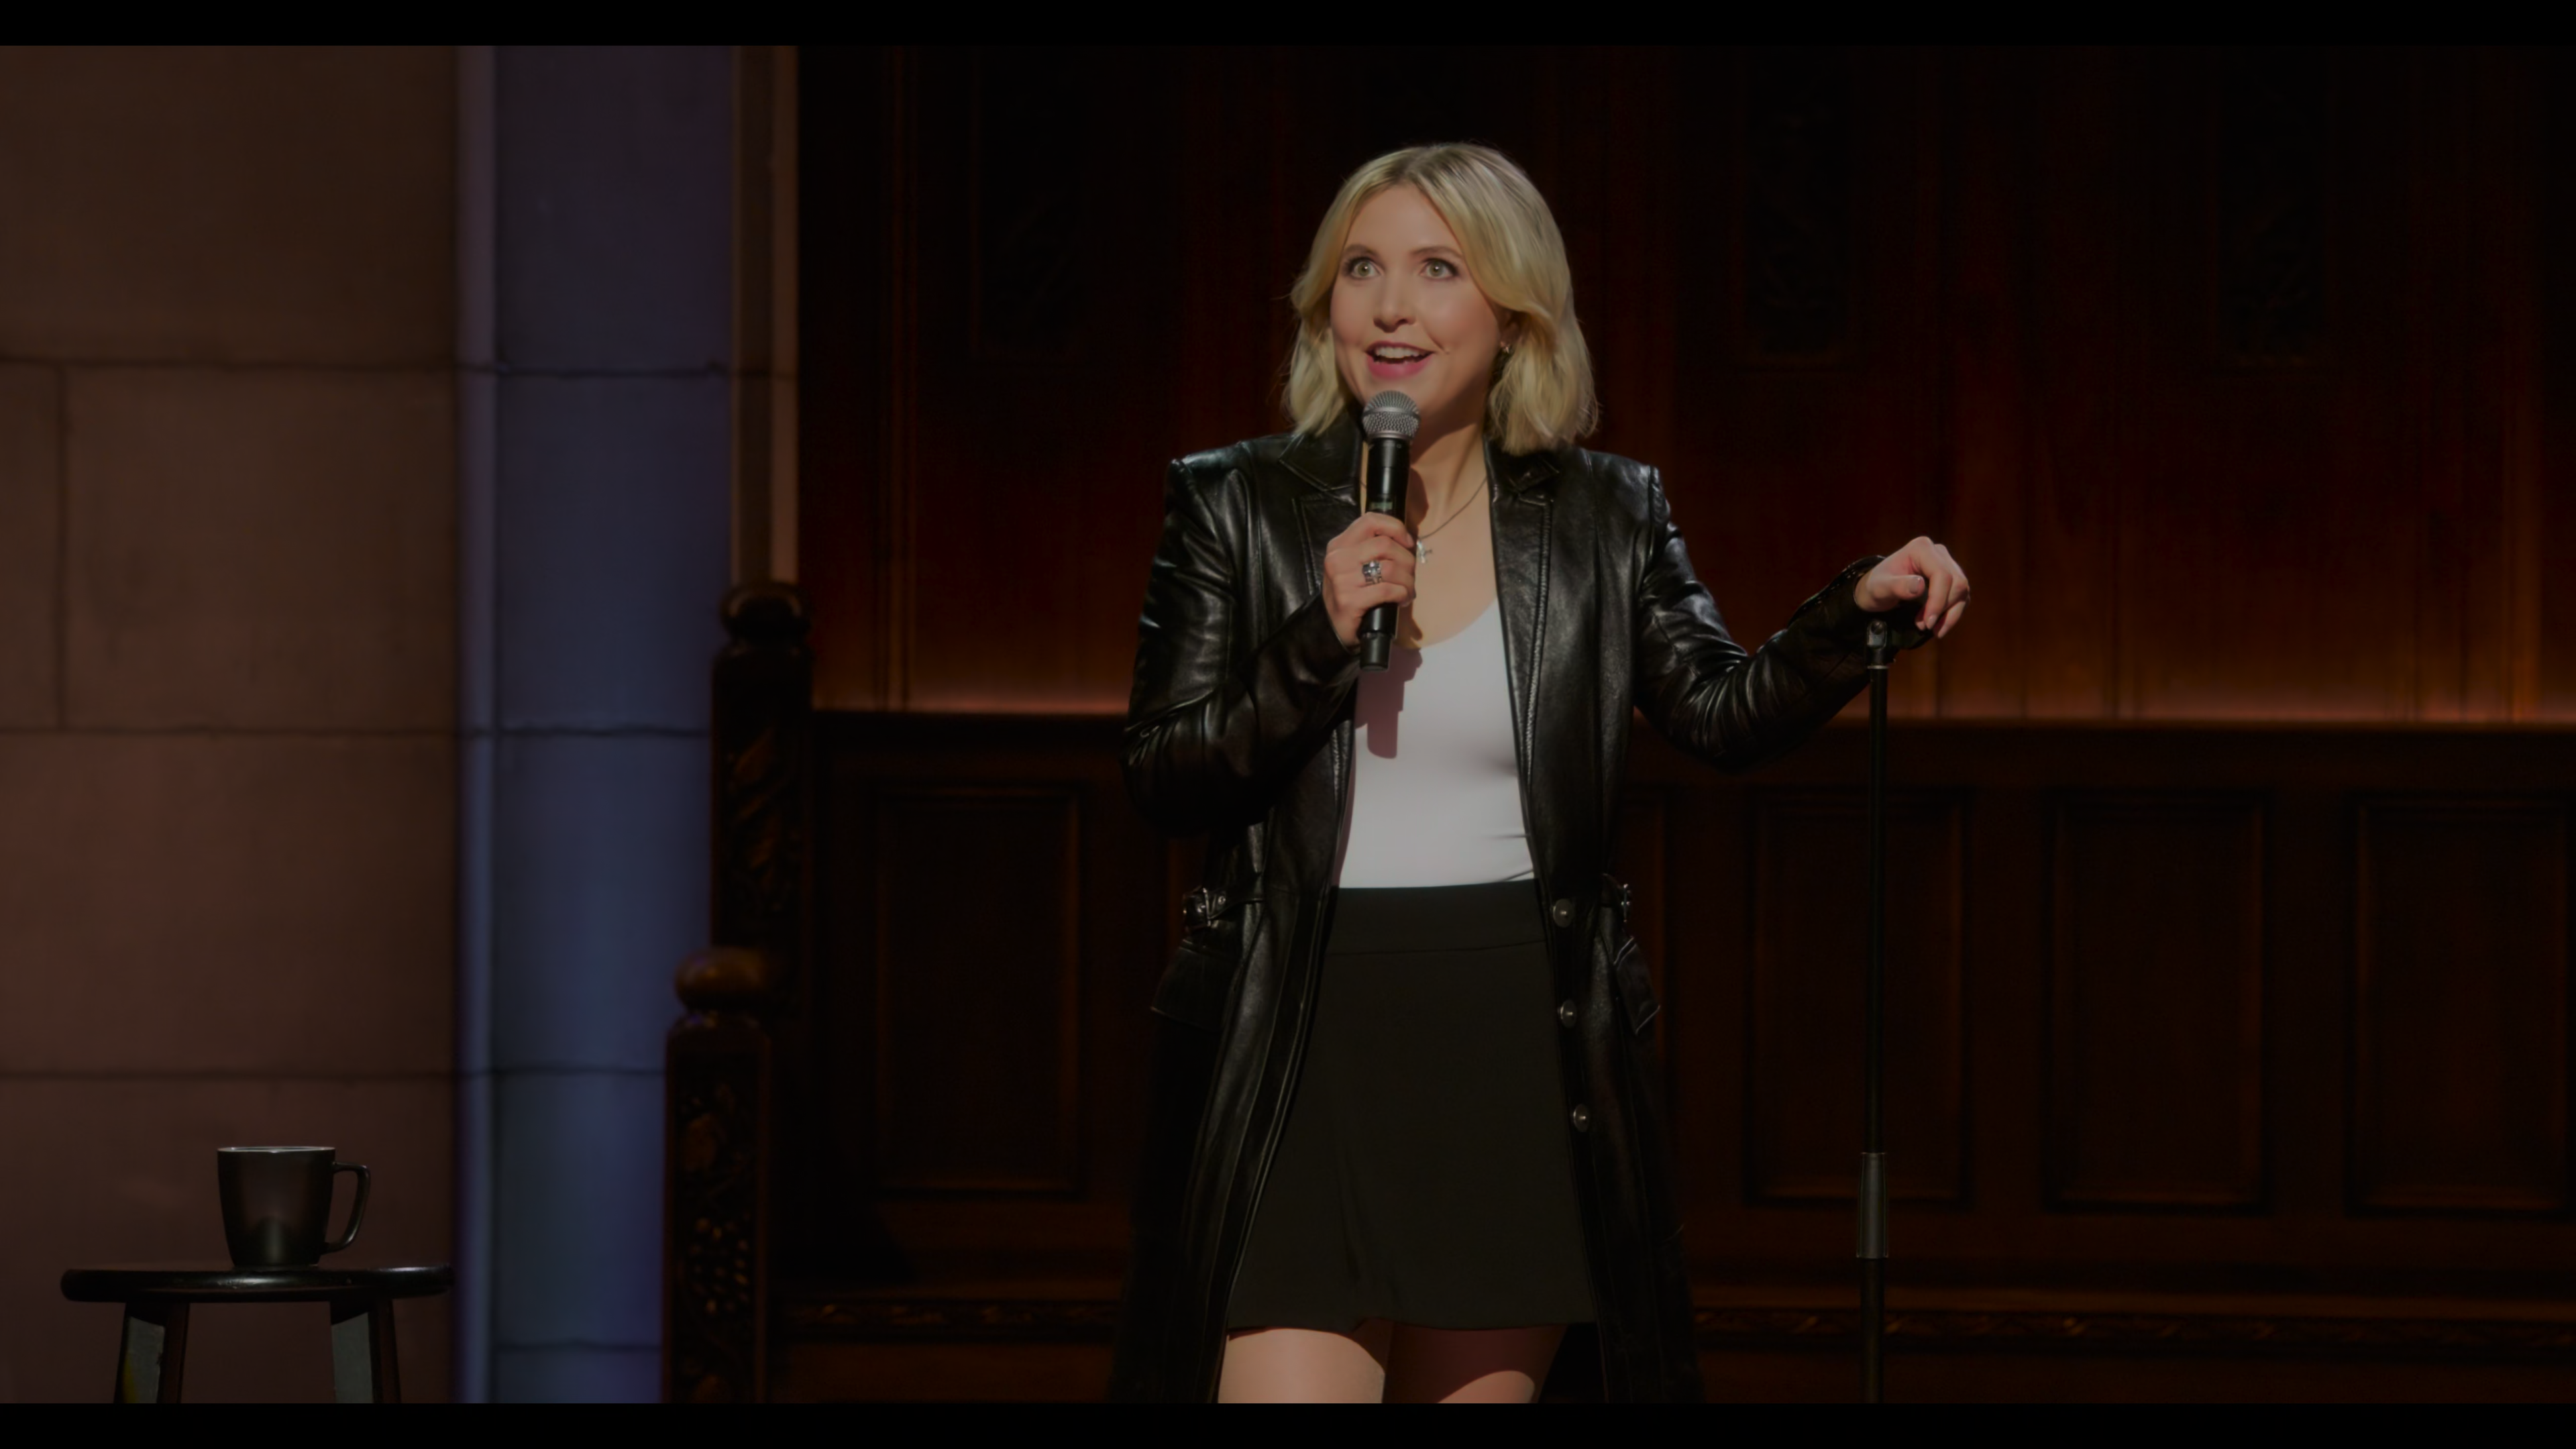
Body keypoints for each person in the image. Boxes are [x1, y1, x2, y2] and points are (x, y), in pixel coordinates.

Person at [1111, 143, 1969, 1403]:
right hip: (1299, 1036)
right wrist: (1316, 640)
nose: (1390, 307)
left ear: (1513, 315)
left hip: (1511, 1039)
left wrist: (1853, 617)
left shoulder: (1604, 513)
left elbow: (1718, 712)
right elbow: (1164, 773)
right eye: (1361, 269)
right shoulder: (1233, 503)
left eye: (1436, 270)